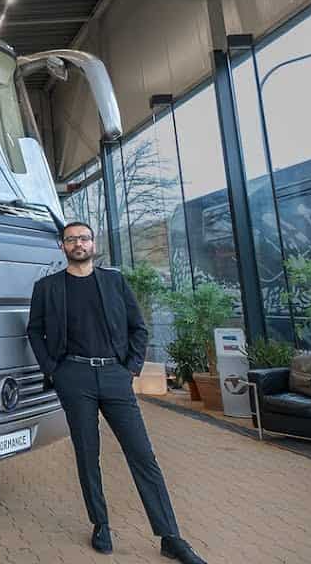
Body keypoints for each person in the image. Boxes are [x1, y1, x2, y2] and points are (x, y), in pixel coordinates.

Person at [27, 221, 205, 563]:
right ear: (62, 247)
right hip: (73, 376)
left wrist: (131, 368)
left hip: (114, 375)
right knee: (87, 454)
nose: (78, 243)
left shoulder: (114, 281)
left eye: (84, 238)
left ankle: (170, 536)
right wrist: (54, 370)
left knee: (142, 455)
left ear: (93, 243)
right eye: (71, 239)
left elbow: (138, 328)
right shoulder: (47, 288)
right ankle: (101, 524)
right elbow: (34, 331)